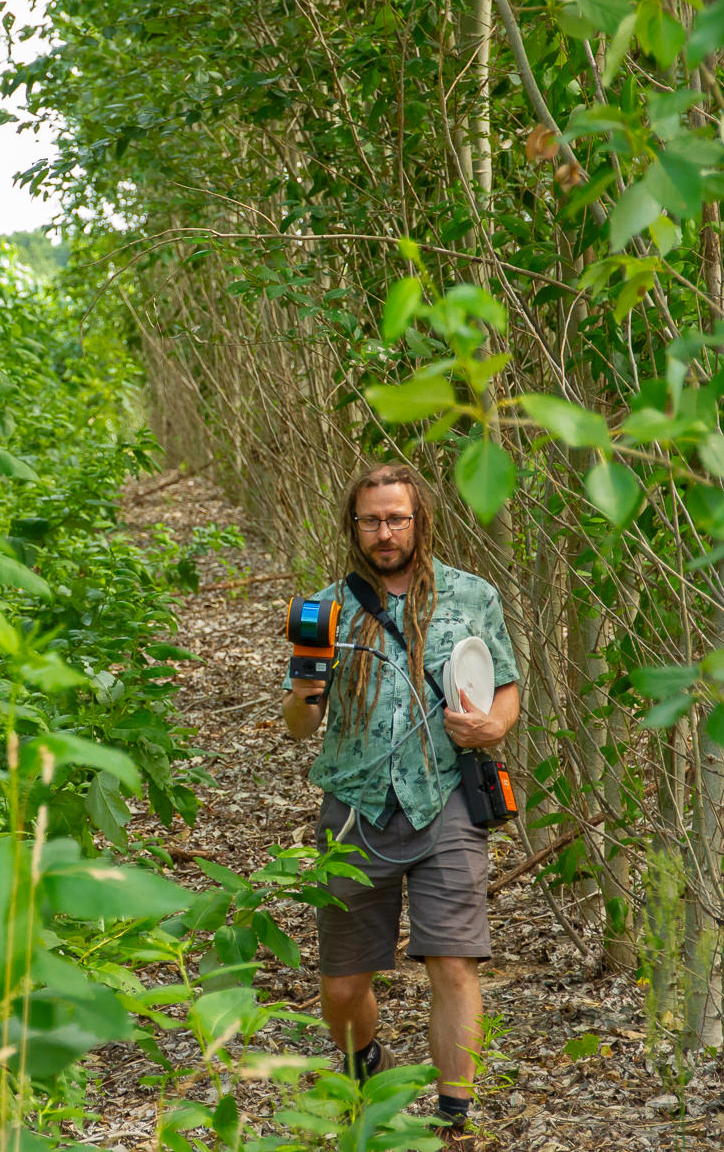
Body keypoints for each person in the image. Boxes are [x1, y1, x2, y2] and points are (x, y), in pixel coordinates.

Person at [280, 461, 519, 1149]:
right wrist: (305, 697)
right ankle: (364, 1063)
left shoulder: (472, 596)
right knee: (343, 984)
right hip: (355, 803)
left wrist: (494, 726)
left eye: (397, 518)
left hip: (444, 794)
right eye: (371, 520)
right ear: (353, 525)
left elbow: (505, 687)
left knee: (453, 959)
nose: (385, 532)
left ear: (421, 520)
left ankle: (453, 1114)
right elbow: (298, 724)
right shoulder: (325, 608)